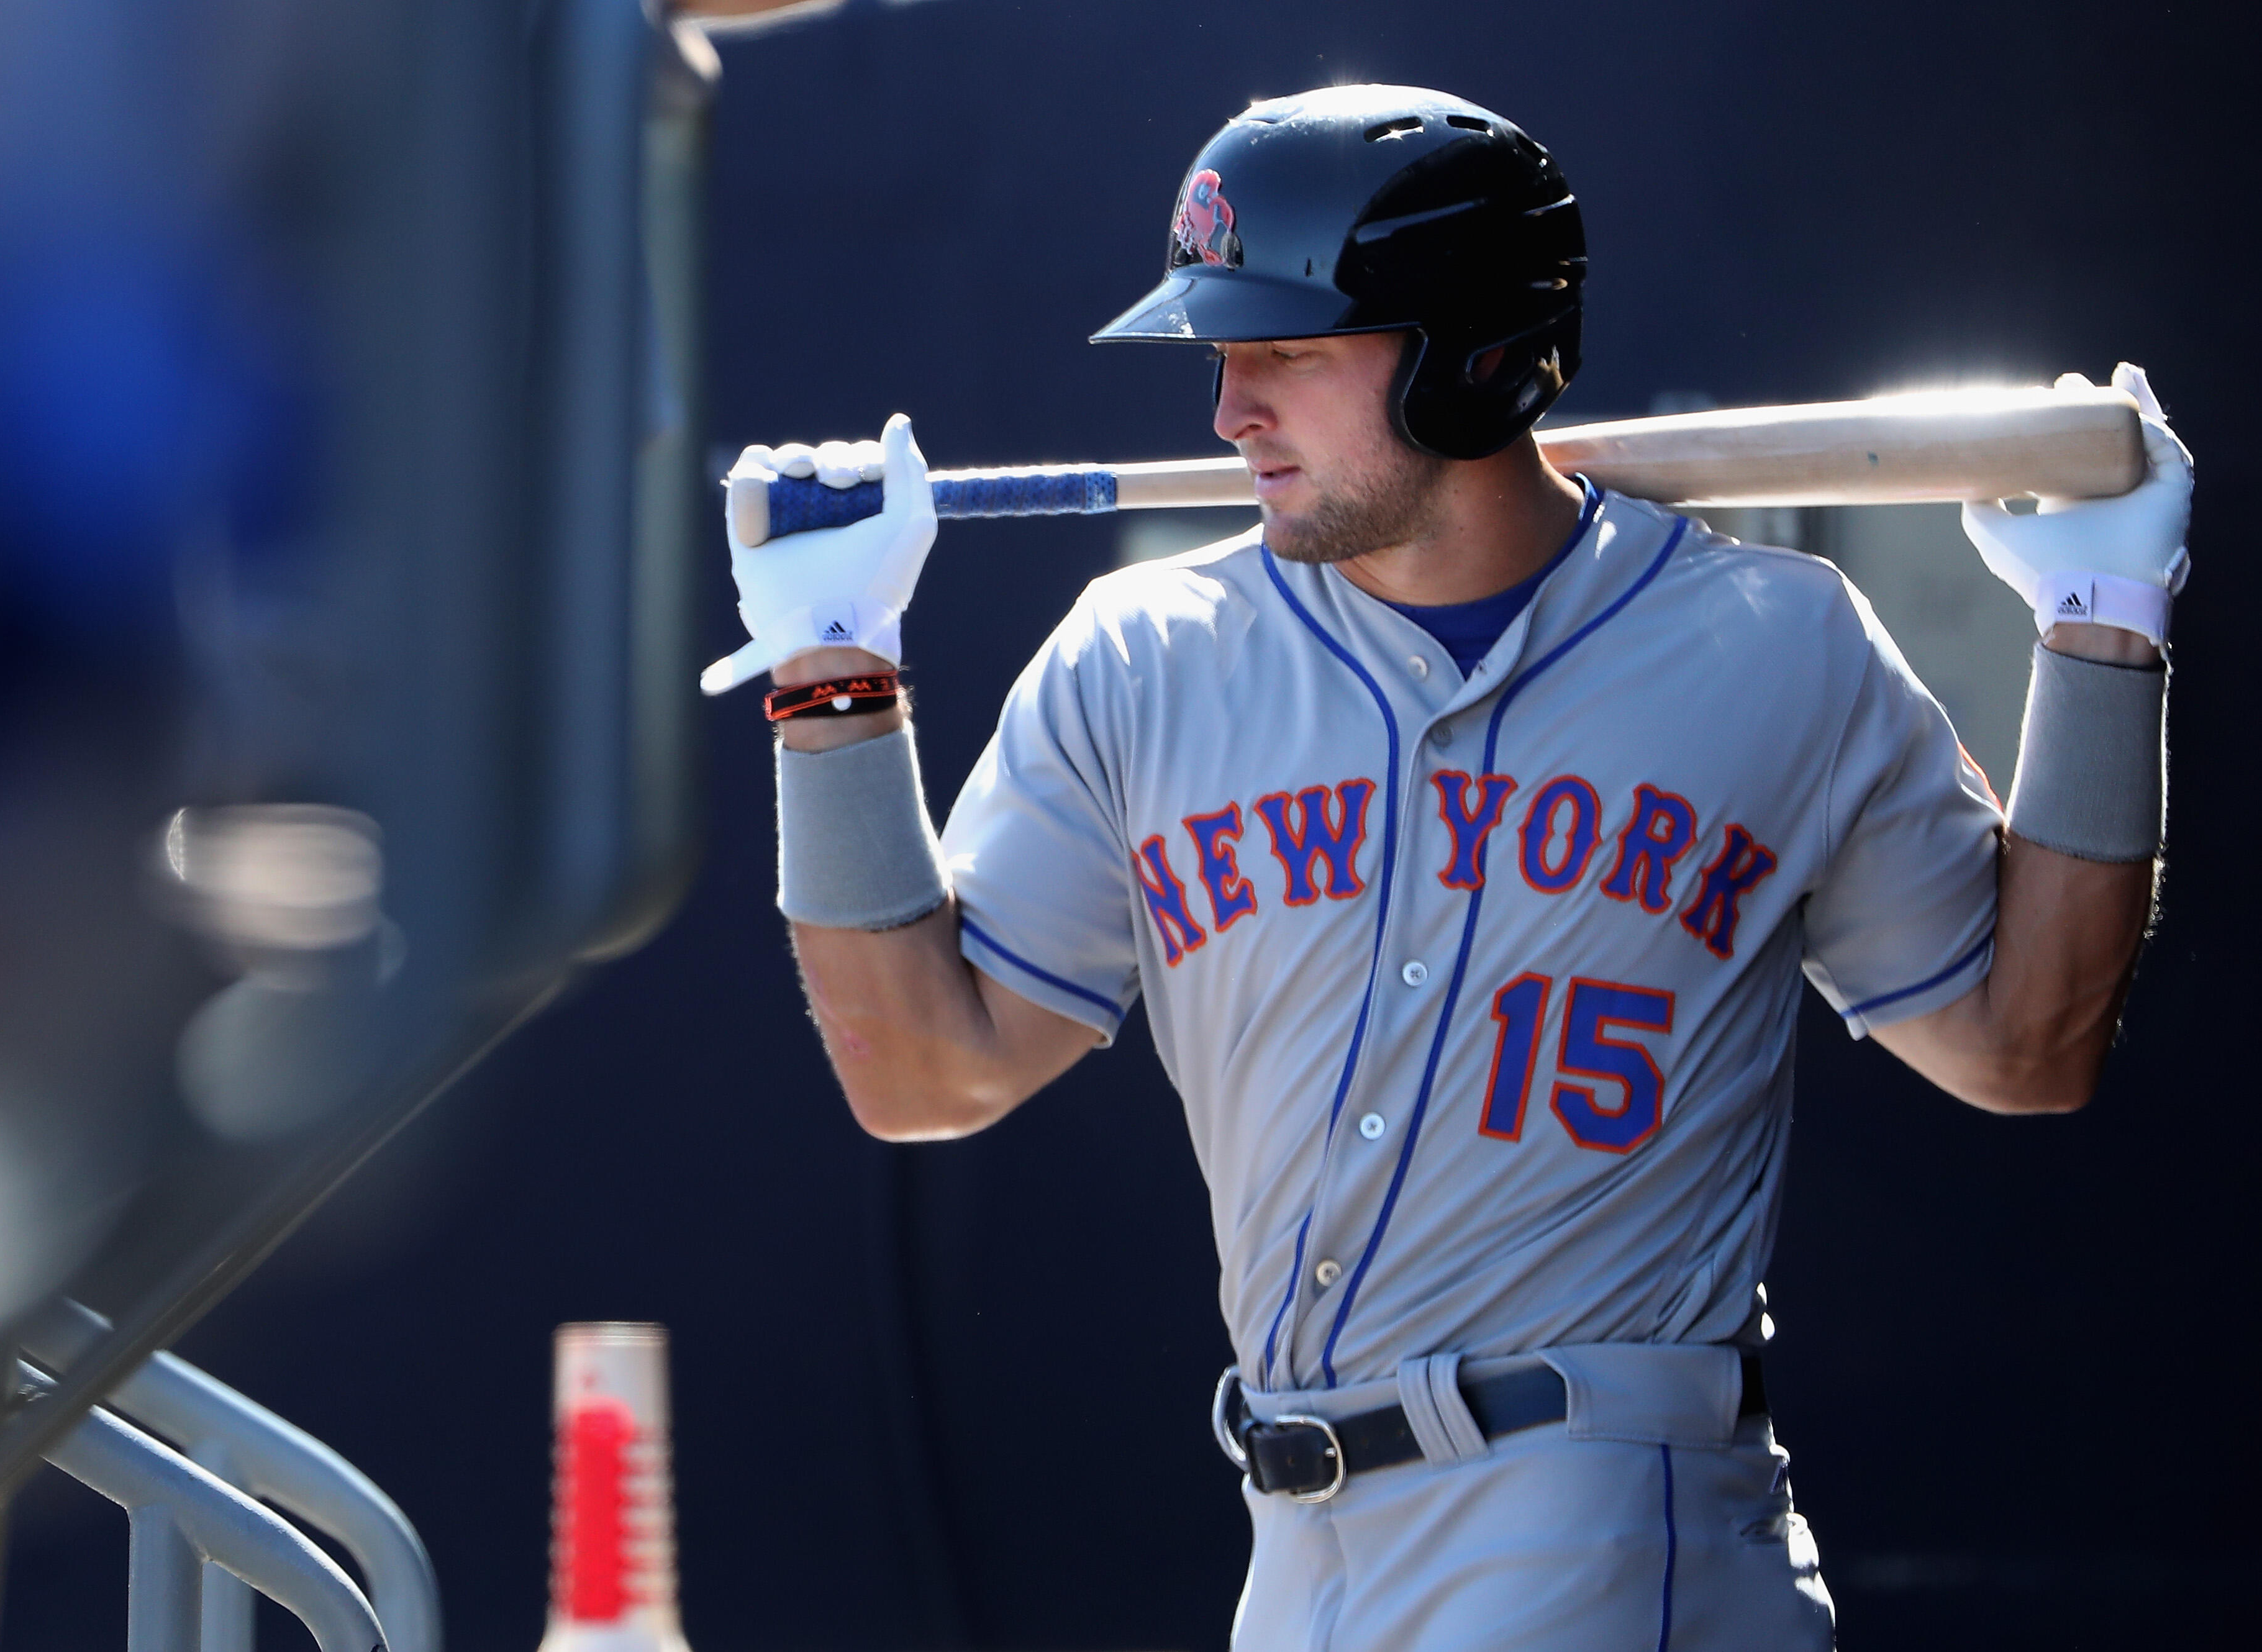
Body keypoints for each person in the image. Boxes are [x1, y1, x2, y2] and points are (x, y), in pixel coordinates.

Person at [704, 84, 2189, 1651]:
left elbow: (2027, 1044)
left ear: (1473, 354)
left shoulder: (1780, 646)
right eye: (1221, 354)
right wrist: (834, 676)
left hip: (1607, 1521)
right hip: (1296, 1543)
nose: (1229, 409)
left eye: (1284, 349)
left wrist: (2103, 629)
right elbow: (925, 1074)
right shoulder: (1142, 658)